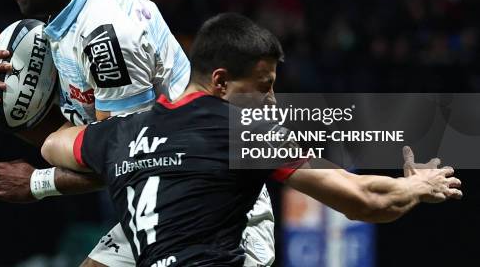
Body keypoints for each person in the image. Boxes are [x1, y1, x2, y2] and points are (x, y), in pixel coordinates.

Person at [0, 0, 275, 267]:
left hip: (214, 204)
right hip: (158, 195)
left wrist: (35, 183)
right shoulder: (59, 27)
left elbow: (129, 157)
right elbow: (71, 137)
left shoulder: (106, 33)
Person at [40, 13, 463, 267]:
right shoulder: (240, 131)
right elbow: (364, 200)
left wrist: (68, 100)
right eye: (264, 88)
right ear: (221, 83)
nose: (273, 101)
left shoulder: (120, 133)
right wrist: (418, 185)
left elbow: (54, 145)